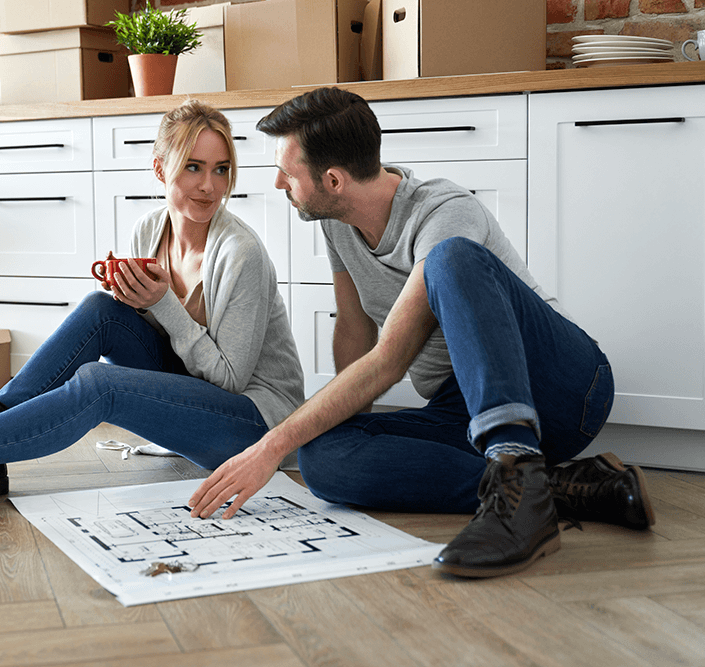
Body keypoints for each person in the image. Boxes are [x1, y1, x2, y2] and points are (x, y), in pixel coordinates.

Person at [187, 87, 655, 578]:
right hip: (464, 406)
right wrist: (353, 431)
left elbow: (389, 359)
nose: (278, 182)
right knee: (323, 456)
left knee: (452, 258)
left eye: (287, 170)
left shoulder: (444, 210)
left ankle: (516, 476)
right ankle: (550, 489)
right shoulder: (337, 223)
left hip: (561, 385)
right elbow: (355, 330)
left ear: (333, 179)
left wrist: (268, 447)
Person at [0, 100, 305, 514]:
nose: (209, 186)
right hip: (193, 394)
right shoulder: (148, 231)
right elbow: (157, 344)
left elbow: (229, 379)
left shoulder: (240, 252)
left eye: (221, 169)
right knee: (101, 308)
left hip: (254, 425)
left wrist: (165, 305)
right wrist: (134, 304)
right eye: (193, 167)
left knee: (102, 385)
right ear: (161, 169)